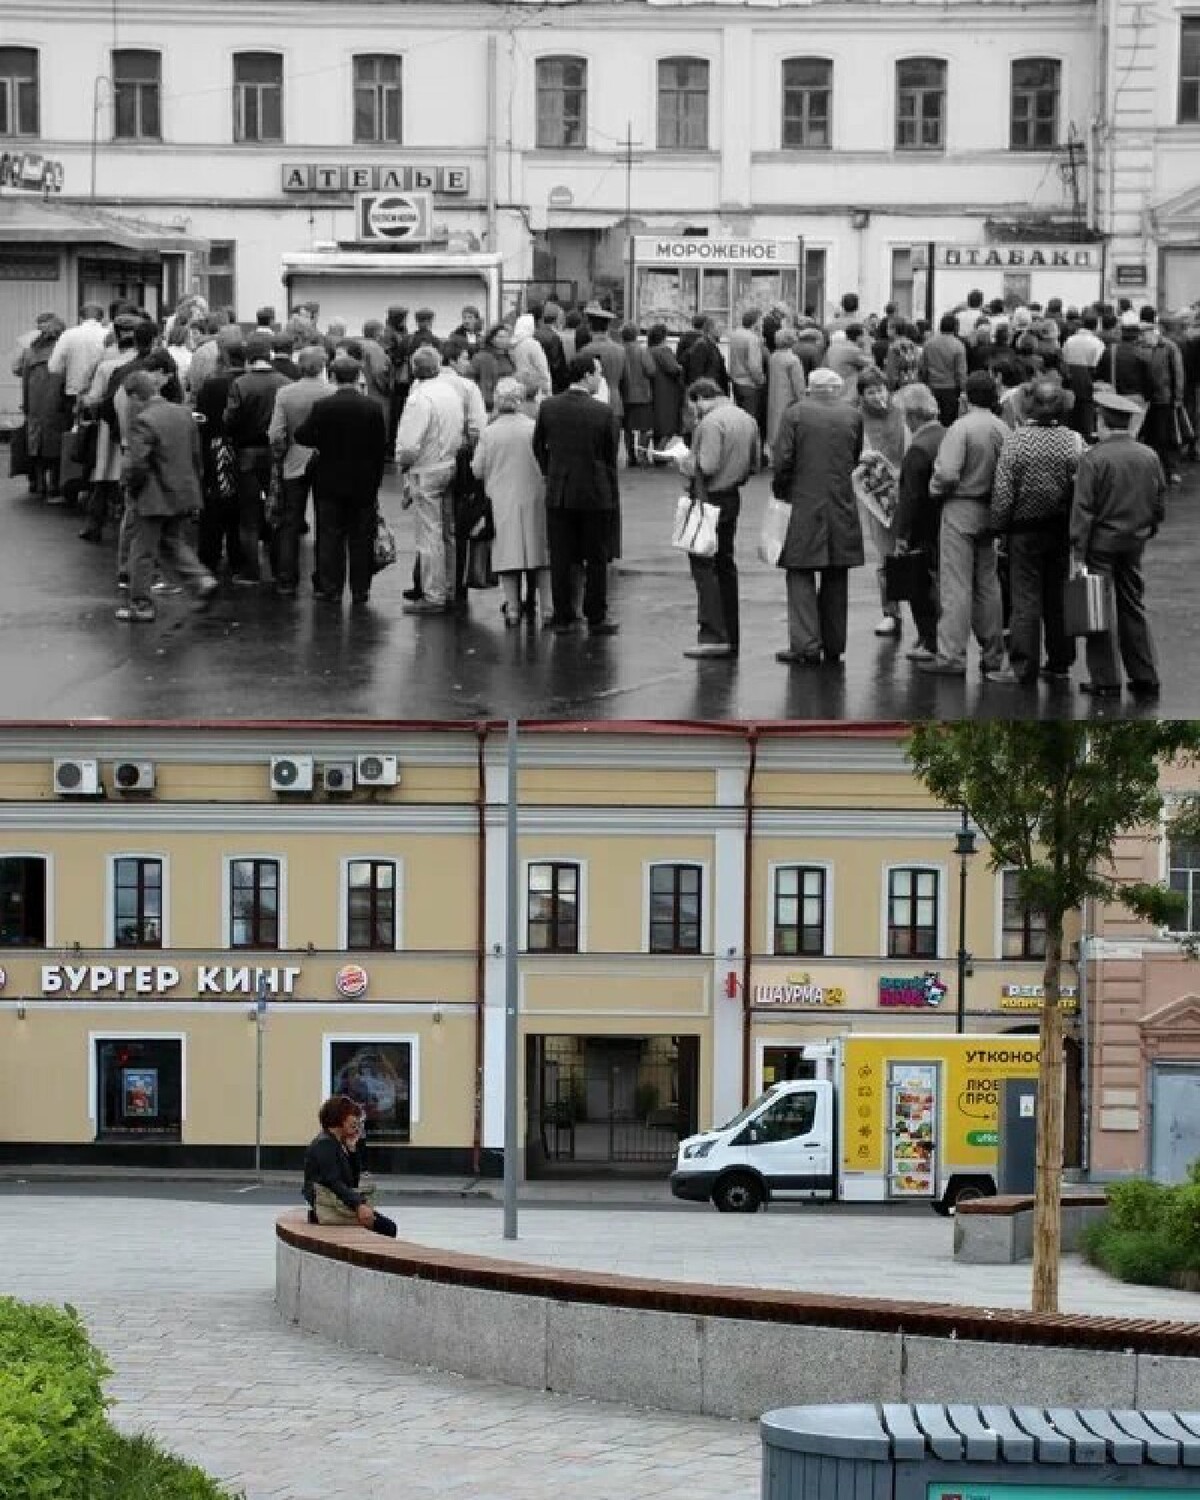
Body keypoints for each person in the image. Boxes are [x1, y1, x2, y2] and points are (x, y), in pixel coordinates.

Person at [1070, 389, 1166, 701]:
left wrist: (1077, 551)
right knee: (1133, 606)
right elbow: (1158, 501)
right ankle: (1144, 673)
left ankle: (1106, 679)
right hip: (1134, 541)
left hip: (1100, 544)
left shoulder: (1094, 458)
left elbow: (1083, 510)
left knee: (1098, 611)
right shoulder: (1148, 455)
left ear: (1102, 421)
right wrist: (1147, 529)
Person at [989, 379, 1084, 687]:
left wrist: (998, 527)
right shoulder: (1073, 441)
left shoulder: (1017, 442)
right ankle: (1059, 662)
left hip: (1023, 531)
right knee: (1057, 597)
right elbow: (1081, 488)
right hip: (1059, 529)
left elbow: (1003, 492)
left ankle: (1023, 666)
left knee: (1025, 599)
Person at [770, 367, 865, 666]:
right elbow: (855, 455)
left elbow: (783, 458)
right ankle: (834, 643)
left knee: (799, 571)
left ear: (810, 387)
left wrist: (780, 489)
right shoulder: (853, 415)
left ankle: (806, 645)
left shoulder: (795, 414)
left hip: (804, 500)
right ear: (836, 389)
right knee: (837, 574)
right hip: (840, 501)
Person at [918, 369, 1008, 680]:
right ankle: (993, 653)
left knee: (955, 584)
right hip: (992, 510)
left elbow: (947, 474)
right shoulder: (1002, 428)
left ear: (966, 398)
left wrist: (934, 488)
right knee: (988, 582)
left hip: (960, 507)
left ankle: (951, 654)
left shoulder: (961, 428)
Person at [117, 371, 218, 623]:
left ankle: (141, 604)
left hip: (153, 495)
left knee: (143, 549)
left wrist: (130, 487)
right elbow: (196, 454)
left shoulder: (142, 420)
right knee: (172, 541)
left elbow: (138, 463)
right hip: (183, 489)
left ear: (135, 396)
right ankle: (201, 579)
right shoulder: (183, 413)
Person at [532, 351, 621, 636]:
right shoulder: (603, 412)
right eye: (597, 373)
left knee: (561, 556)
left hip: (560, 490)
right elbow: (609, 453)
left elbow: (538, 446)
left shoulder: (548, 407)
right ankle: (596, 615)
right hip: (595, 491)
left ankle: (563, 615)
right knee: (596, 557)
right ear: (586, 376)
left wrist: (551, 471)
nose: (600, 378)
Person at [294, 354, 388, 608]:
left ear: (333, 377)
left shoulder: (323, 406)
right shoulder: (372, 408)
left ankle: (330, 587)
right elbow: (381, 448)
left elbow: (301, 435)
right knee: (361, 537)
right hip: (363, 481)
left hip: (329, 480)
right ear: (359, 376)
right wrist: (375, 480)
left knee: (330, 536)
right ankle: (360, 589)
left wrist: (321, 442)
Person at [675, 377, 759, 659]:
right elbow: (756, 464)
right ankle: (731, 634)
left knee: (703, 566)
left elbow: (707, 465)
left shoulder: (710, 423)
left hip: (708, 498)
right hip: (732, 496)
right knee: (725, 565)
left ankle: (713, 634)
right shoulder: (747, 419)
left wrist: (684, 463)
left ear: (699, 398)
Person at [471, 376, 551, 626]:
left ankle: (513, 608)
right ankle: (547, 609)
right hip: (536, 496)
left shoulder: (489, 433)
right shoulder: (533, 428)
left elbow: (477, 470)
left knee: (508, 555)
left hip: (502, 499)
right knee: (540, 555)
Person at [395, 344, 467, 613]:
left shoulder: (418, 399)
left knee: (429, 535)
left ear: (415, 370)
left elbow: (409, 445)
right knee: (447, 532)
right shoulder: (450, 391)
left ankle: (434, 594)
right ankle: (448, 588)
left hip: (427, 469)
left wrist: (403, 465)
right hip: (449, 462)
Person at [223, 333, 289, 585]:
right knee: (276, 513)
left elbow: (230, 420)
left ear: (249, 358)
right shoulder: (284, 382)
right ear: (270, 355)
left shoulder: (241, 384)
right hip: (276, 455)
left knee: (248, 517)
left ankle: (251, 571)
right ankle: (279, 570)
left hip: (247, 454)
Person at [267, 345, 329, 596]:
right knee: (326, 522)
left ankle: (286, 578)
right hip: (325, 460)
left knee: (290, 520)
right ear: (323, 366)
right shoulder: (331, 392)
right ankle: (324, 579)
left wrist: (279, 455)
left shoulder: (285, 393)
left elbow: (275, 433)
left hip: (294, 459)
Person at [891, 383, 945, 661]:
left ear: (912, 416)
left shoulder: (918, 449)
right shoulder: (946, 436)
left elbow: (910, 497)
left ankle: (929, 638)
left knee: (920, 585)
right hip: (943, 522)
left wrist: (901, 534)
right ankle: (936, 638)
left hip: (923, 527)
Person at [854, 367, 908, 638]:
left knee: (913, 552)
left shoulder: (902, 413)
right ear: (862, 396)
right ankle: (891, 612)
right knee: (886, 555)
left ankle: (923, 611)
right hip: (877, 494)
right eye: (870, 392)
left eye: (880, 389)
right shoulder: (856, 419)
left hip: (906, 490)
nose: (877, 396)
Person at [302, 1095, 397, 1237]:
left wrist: (352, 1150)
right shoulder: (325, 1144)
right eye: (353, 1117)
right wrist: (359, 1205)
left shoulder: (338, 1143)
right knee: (387, 1228)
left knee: (386, 1227)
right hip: (331, 1206)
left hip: (337, 1204)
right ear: (339, 1117)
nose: (357, 1122)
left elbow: (352, 1182)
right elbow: (333, 1181)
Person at [13, 314, 66, 501]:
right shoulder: (62, 349)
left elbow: (18, 370)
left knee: (36, 443)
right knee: (56, 443)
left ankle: (38, 482)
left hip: (34, 404)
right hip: (57, 404)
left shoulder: (30, 351)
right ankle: (54, 484)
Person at [47, 302, 107, 426]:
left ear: (80, 318)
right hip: (102, 395)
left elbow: (53, 367)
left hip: (74, 394)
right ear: (102, 318)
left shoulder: (68, 335)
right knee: (100, 438)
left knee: (74, 436)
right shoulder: (108, 335)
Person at [919, 314, 969, 428]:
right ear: (956, 327)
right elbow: (961, 372)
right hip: (950, 390)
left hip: (932, 387)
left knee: (932, 422)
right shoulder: (958, 346)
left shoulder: (929, 344)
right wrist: (964, 390)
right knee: (948, 423)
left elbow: (922, 367)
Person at [728, 308, 767, 449]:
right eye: (760, 321)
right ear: (755, 322)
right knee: (751, 422)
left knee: (740, 420)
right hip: (750, 384)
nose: (761, 324)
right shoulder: (752, 339)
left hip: (736, 380)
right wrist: (761, 380)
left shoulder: (735, 335)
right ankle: (750, 455)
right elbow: (754, 365)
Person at [765, 328, 806, 461]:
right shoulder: (793, 360)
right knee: (787, 427)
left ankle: (774, 455)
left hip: (774, 395)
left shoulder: (774, 357)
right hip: (789, 398)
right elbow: (798, 384)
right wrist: (803, 400)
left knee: (774, 424)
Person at [618, 323, 655, 466]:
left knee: (628, 428)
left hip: (625, 394)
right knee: (644, 428)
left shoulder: (620, 350)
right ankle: (642, 454)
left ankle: (630, 455)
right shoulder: (642, 351)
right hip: (642, 394)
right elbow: (651, 370)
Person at [646, 323, 684, 452]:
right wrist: (682, 368)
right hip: (667, 390)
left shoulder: (648, 350)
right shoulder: (663, 350)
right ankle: (660, 452)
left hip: (654, 388)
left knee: (657, 424)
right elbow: (673, 368)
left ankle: (656, 450)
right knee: (668, 425)